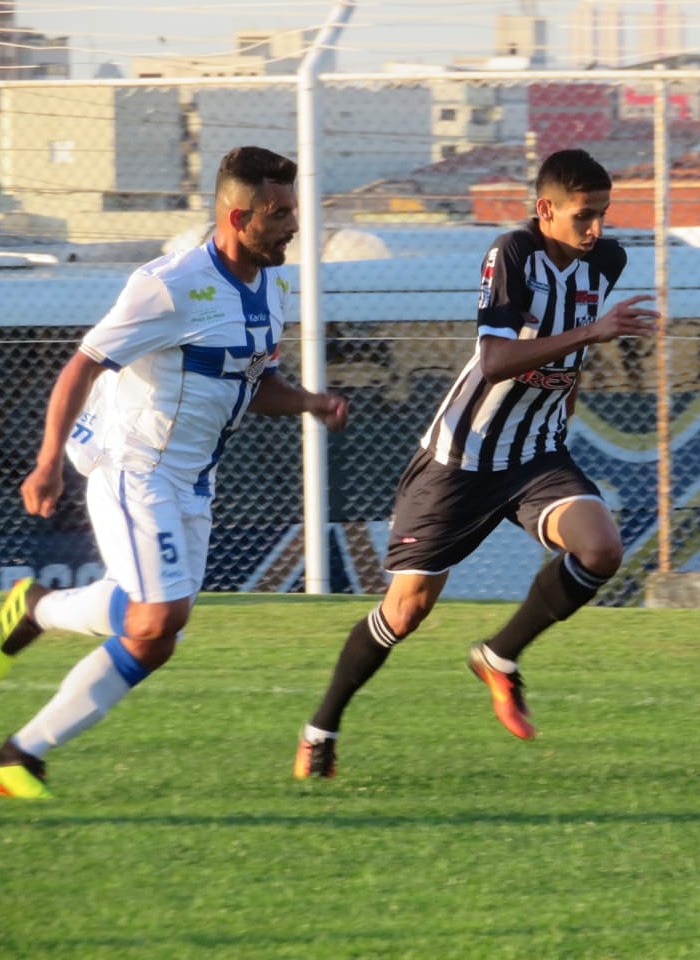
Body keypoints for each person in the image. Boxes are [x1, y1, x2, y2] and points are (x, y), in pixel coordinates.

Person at [293, 148, 659, 779]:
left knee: (601, 549)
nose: (597, 229)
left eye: (603, 214)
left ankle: (499, 657)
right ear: (544, 209)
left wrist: (567, 392)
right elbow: (494, 360)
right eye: (583, 216)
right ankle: (320, 731)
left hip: (536, 455)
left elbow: (566, 352)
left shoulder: (608, 261)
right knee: (405, 611)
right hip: (461, 458)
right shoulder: (512, 253)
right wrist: (593, 335)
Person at [0, 146, 349, 799]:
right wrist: (47, 463)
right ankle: (19, 756)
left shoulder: (272, 286)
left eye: (293, 212)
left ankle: (35, 607)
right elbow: (83, 366)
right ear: (237, 216)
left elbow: (256, 381)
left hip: (195, 479)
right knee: (157, 621)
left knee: (157, 628)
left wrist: (309, 402)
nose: (292, 225)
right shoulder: (168, 284)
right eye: (278, 214)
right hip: (137, 470)